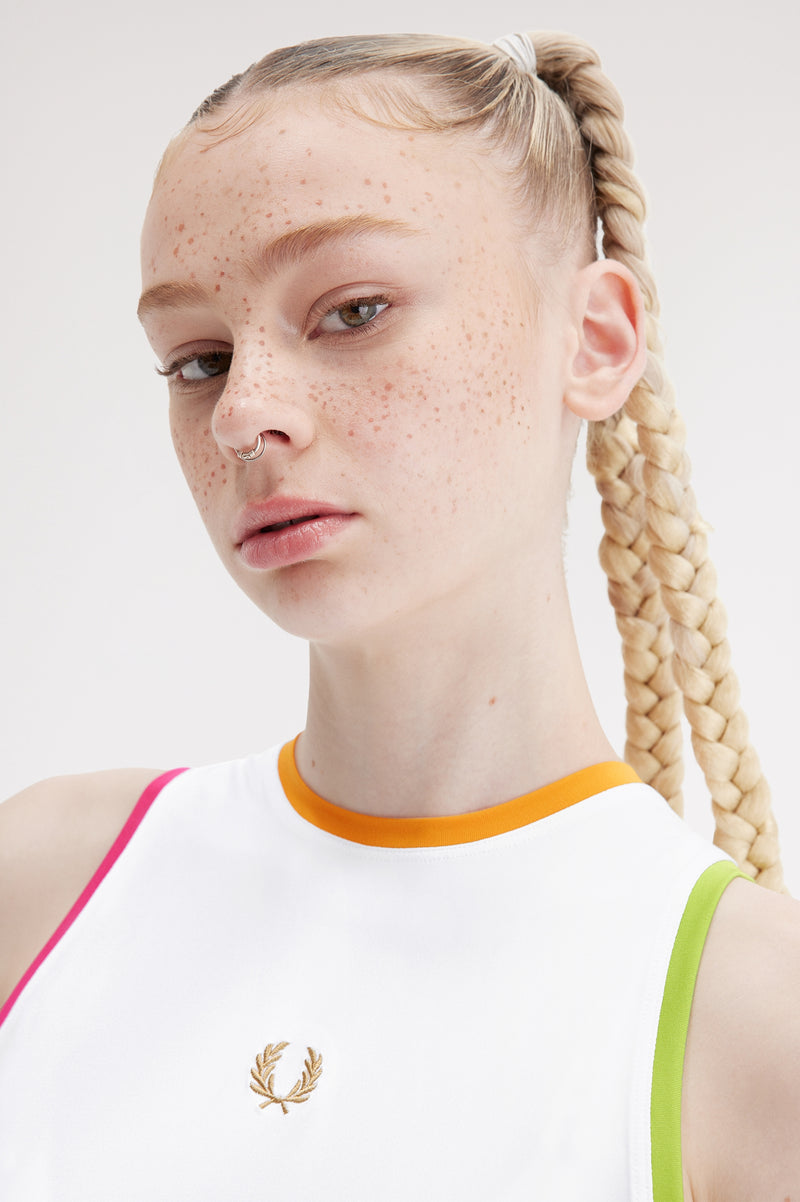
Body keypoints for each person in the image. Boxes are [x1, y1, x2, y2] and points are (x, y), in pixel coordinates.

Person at [1, 28, 798, 1201]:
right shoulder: (46, 884)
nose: (243, 413)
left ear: (594, 339)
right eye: (198, 359)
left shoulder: (754, 1026)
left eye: (353, 309)